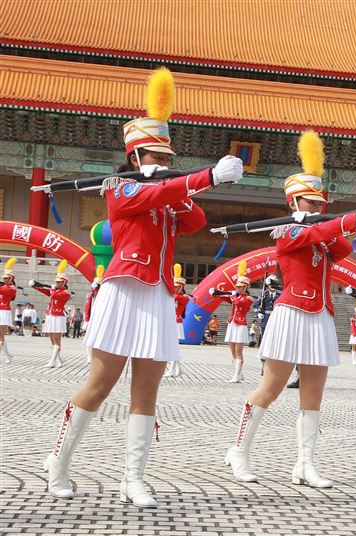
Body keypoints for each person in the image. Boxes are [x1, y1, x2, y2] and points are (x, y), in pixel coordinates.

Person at [41, 67, 243, 507]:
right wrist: (203, 178)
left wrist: (180, 186)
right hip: (124, 289)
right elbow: (150, 196)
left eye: (168, 158)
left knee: (147, 389)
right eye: (156, 157)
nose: (164, 164)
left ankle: (133, 479)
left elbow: (195, 220)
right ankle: (58, 461)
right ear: (135, 157)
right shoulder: (120, 189)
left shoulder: (166, 191)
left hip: (157, 293)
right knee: (101, 382)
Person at [224, 130, 356, 489]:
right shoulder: (287, 232)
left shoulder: (321, 234)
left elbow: (340, 247)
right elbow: (313, 234)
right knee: (271, 387)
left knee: (313, 394)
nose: (317, 209)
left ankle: (305, 463)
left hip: (320, 315)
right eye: (311, 203)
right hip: (291, 313)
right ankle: (239, 450)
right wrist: (352, 219)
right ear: (294, 202)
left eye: (320, 204)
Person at [213, 262, 254, 383]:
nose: (237, 288)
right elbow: (223, 298)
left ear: (245, 287)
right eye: (236, 287)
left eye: (240, 287)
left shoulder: (248, 299)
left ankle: (236, 376)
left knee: (238, 351)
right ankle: (238, 373)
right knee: (232, 351)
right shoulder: (235, 296)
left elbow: (237, 303)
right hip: (232, 324)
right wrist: (216, 293)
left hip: (240, 325)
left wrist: (233, 295)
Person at [31, 260, 72, 368]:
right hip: (50, 316)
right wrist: (36, 286)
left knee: (57, 341)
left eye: (59, 282)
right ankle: (59, 361)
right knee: (52, 341)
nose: (57, 283)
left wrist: (52, 289)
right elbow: (46, 292)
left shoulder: (66, 293)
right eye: (56, 282)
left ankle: (52, 361)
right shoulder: (55, 291)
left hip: (58, 317)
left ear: (64, 282)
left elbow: (53, 295)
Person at [165, 264, 190, 378]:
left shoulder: (183, 297)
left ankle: (171, 369)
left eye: (176, 286)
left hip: (176, 323)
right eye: (173, 286)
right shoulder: (175, 296)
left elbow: (177, 297)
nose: (174, 288)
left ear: (181, 287)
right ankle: (178, 369)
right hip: (169, 322)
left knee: (173, 347)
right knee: (168, 346)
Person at [83, 266, 103, 364]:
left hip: (100, 318)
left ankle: (97, 356)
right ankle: (89, 356)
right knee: (88, 338)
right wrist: (86, 318)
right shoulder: (91, 294)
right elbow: (87, 306)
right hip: (91, 318)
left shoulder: (103, 293)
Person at [0, 258, 18, 362]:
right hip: (0, 310)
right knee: (0, 336)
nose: (5, 280)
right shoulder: (5, 286)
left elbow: (2, 290)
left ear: (11, 278)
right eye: (4, 278)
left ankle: (7, 356)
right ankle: (8, 356)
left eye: (7, 278)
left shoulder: (11, 288)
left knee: (1, 336)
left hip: (4, 312)